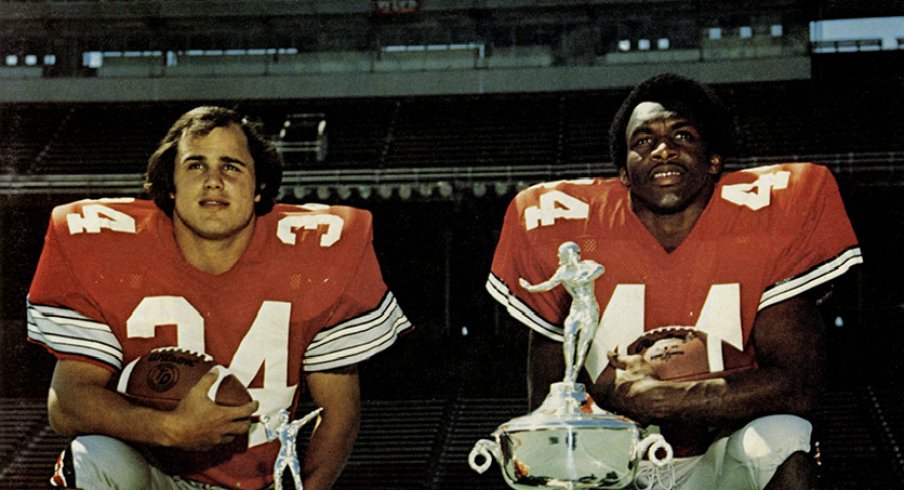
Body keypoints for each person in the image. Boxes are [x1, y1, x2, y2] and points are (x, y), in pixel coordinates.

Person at [486, 73, 863, 489]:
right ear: (624, 172)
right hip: (612, 460)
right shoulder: (563, 229)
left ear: (713, 160)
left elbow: (798, 387)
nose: (663, 150)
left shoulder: (770, 217)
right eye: (643, 142)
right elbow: (548, 403)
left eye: (682, 136)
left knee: (784, 438)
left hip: (722, 455)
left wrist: (665, 399)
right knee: (553, 465)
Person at [26, 106, 412, 490]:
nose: (213, 180)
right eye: (195, 165)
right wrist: (169, 428)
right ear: (171, 184)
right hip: (154, 474)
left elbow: (340, 418)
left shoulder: (317, 252)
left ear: (259, 185)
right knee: (90, 458)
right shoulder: (108, 247)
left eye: (231, 166)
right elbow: (67, 404)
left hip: (262, 482)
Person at [519, 241, 605, 383]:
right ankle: (569, 369)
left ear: (569, 254)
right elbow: (548, 285)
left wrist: (586, 277)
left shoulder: (587, 265)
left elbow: (600, 268)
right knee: (569, 335)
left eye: (562, 254)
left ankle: (576, 370)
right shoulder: (563, 271)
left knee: (584, 342)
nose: (559, 256)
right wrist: (530, 288)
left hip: (589, 309)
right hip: (576, 308)